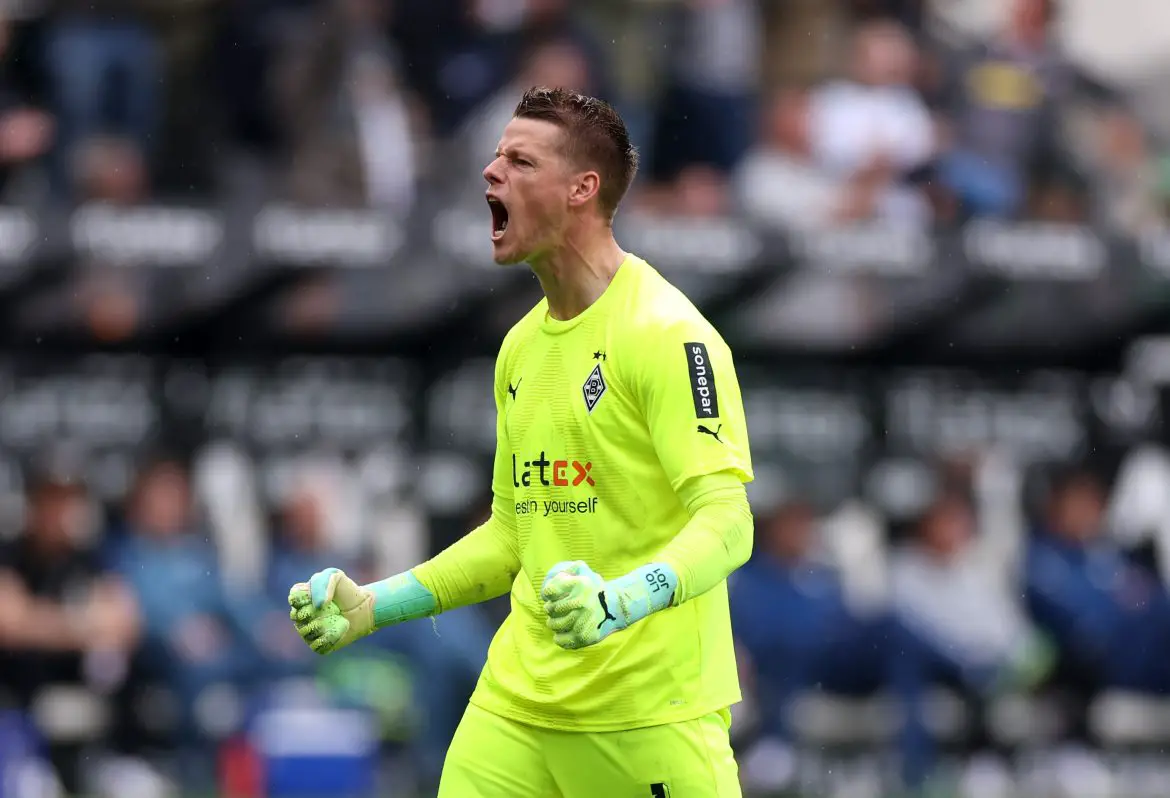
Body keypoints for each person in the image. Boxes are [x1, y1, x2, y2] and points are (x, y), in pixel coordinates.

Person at [288, 86, 755, 797]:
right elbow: (513, 536)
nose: (490, 172)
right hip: (515, 710)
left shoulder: (668, 335)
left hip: (645, 719)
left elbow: (727, 524)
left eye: (519, 160)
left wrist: (620, 600)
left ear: (581, 189)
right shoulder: (519, 349)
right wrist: (376, 606)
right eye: (495, 155)